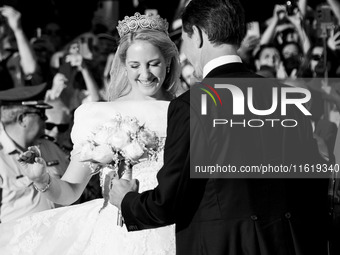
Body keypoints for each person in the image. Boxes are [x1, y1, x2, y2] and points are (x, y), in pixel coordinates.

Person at [109, 0, 330, 254]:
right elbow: (314, 183)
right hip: (286, 244)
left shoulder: (191, 105)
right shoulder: (287, 97)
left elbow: (168, 202)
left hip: (221, 245)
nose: (187, 50)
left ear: (199, 35)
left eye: (186, 39)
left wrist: (127, 200)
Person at [0, 12, 181, 255]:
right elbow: (71, 191)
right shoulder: (98, 115)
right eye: (135, 65)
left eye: (154, 63)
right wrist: (43, 180)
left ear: (168, 62)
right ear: (123, 66)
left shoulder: (186, 111)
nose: (145, 74)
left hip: (177, 230)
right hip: (116, 237)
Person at [0, 84, 69, 223]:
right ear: (22, 119)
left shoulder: (50, 147)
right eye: (41, 114)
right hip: (17, 241)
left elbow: (73, 188)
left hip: (60, 238)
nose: (46, 120)